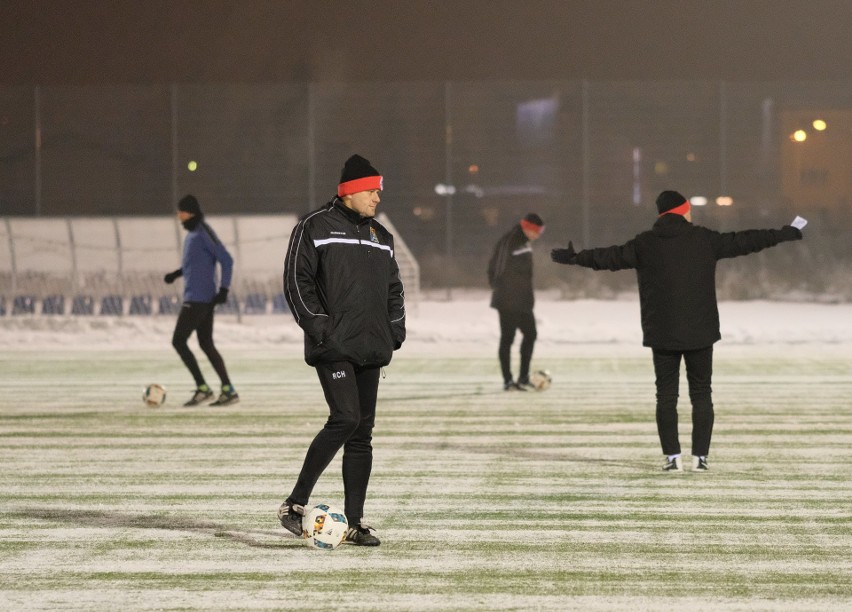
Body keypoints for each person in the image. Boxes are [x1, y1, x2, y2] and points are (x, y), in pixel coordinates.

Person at [551, 190, 804, 472]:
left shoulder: (644, 244)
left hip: (662, 333)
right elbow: (746, 240)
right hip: (700, 332)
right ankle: (701, 458)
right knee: (701, 393)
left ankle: (672, 458)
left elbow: (608, 257)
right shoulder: (704, 239)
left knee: (666, 396)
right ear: (683, 210)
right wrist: (785, 233)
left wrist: (576, 258)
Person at [279, 154, 406, 546]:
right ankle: (295, 505)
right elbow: (296, 281)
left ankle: (355, 522)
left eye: (378, 191)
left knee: (362, 433)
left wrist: (394, 330)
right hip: (333, 345)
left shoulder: (380, 236)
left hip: (371, 345)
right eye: (371, 191)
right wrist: (319, 326)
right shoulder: (314, 227)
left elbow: (394, 289)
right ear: (350, 192)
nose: (377, 198)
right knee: (346, 417)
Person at [163, 194, 239, 407]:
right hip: (196, 298)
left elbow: (226, 259)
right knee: (206, 343)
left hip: (199, 300)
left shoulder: (204, 232)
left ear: (191, 212)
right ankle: (227, 390)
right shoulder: (192, 236)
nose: (178, 216)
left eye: (181, 211)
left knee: (178, 341)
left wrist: (224, 288)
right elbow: (195, 264)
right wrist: (176, 274)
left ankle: (203, 388)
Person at [487, 213, 545, 391]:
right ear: (528, 227)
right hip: (508, 300)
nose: (538, 235)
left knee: (531, 334)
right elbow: (495, 268)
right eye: (537, 231)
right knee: (508, 339)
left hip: (523, 301)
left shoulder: (525, 243)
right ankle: (508, 380)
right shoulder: (510, 240)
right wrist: (502, 290)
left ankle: (523, 377)